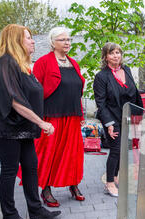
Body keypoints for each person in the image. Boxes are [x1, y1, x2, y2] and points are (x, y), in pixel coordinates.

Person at [0, 24, 61, 219]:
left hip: (22, 127)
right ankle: (9, 215)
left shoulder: (22, 64)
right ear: (16, 40)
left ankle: (35, 209)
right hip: (7, 127)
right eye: (28, 38)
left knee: (30, 166)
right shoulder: (5, 63)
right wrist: (41, 122)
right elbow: (14, 101)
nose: (33, 41)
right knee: (9, 170)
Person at [30, 27, 86, 207]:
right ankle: (45, 189)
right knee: (49, 154)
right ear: (52, 42)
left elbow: (77, 91)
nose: (67, 42)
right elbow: (34, 91)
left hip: (72, 116)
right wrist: (37, 119)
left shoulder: (73, 63)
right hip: (51, 116)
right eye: (62, 40)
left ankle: (73, 184)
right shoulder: (43, 62)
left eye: (69, 39)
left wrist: (81, 113)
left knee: (72, 154)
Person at [93, 42, 143, 197]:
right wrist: (109, 123)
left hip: (126, 116)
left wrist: (140, 114)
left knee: (122, 150)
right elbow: (100, 103)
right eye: (112, 53)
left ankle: (115, 177)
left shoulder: (126, 70)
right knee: (115, 149)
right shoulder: (101, 76)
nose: (116, 56)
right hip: (111, 118)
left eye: (118, 52)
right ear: (106, 57)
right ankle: (109, 184)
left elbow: (133, 93)